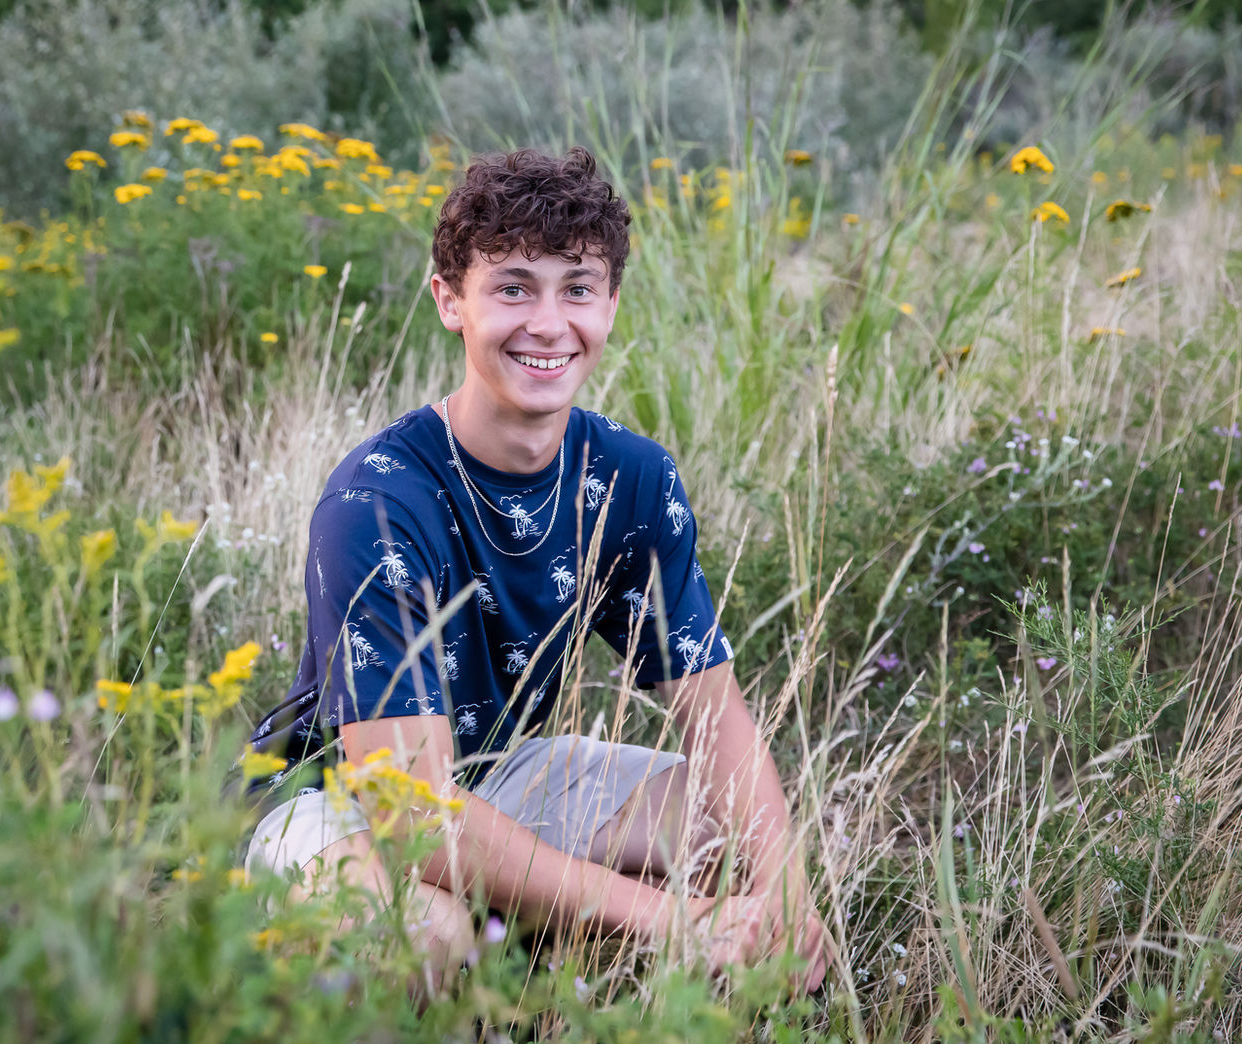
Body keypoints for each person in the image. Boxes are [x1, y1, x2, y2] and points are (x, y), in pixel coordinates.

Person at [242, 146, 827, 996]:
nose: (549, 323)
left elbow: (716, 720)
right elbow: (408, 812)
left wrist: (785, 896)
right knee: (415, 935)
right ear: (450, 301)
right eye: (513, 286)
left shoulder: (630, 477)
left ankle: (550, 971)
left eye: (577, 287)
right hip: (339, 806)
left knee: (737, 834)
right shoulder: (376, 501)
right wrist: (674, 919)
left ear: (612, 304)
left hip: (503, 773)